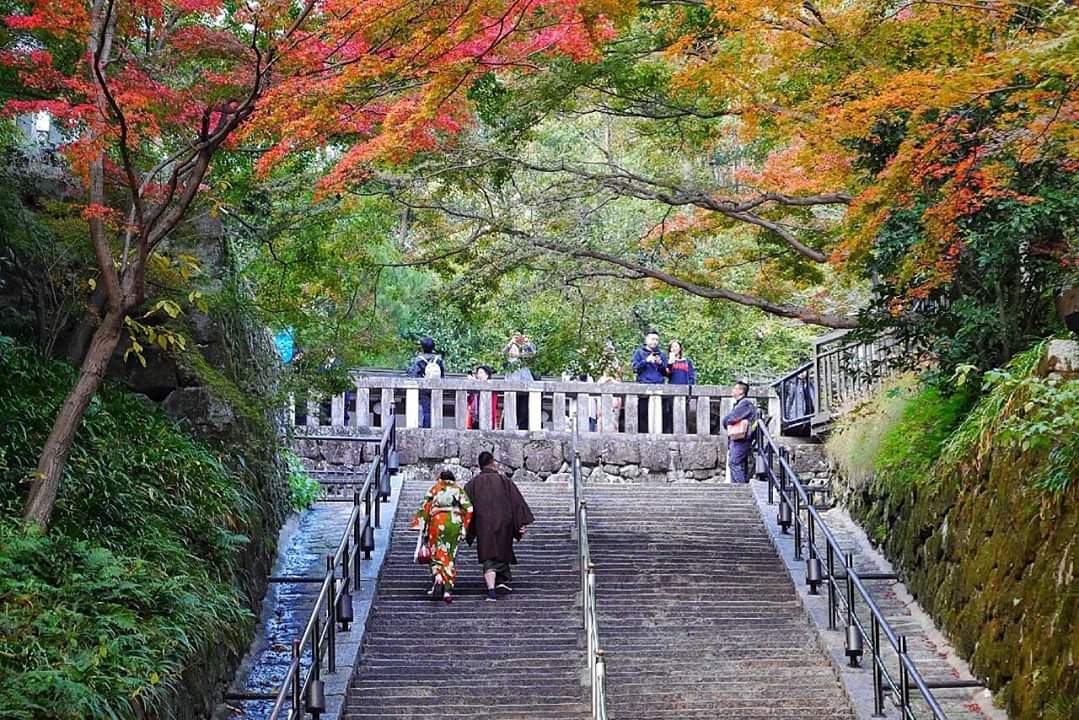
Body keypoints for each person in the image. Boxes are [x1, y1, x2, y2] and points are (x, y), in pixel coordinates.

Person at [465, 451, 534, 602]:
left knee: (488, 555)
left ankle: (492, 590)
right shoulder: (504, 481)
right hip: (504, 522)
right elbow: (516, 503)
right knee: (503, 549)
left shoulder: (473, 484)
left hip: (483, 525)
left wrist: (464, 528)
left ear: (480, 465)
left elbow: (465, 506)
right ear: (493, 463)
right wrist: (521, 523)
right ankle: (501, 581)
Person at [411, 469, 473, 603]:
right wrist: (464, 527)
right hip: (454, 523)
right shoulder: (458, 490)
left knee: (437, 553)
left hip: (437, 523)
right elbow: (469, 509)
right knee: (450, 556)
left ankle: (438, 576)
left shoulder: (435, 489)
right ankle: (447, 590)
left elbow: (425, 508)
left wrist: (421, 525)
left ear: (440, 478)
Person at [722, 381, 759, 484]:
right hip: (739, 437)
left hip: (741, 438)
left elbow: (731, 418)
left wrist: (726, 421)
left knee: (734, 462)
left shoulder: (745, 404)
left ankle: (741, 487)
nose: (733, 390)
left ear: (741, 391)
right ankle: (739, 485)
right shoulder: (741, 404)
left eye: (735, 388)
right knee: (739, 463)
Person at [631, 330, 667, 431]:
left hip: (659, 387)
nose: (655, 342)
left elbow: (666, 373)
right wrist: (646, 361)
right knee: (643, 415)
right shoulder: (639, 352)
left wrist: (660, 363)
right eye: (652, 339)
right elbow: (635, 369)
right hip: (644, 387)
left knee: (661, 415)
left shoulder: (661, 354)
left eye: (657, 340)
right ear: (646, 340)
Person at [406, 336, 444, 428]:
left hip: (424, 387)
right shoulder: (438, 359)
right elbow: (442, 374)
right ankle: (435, 426)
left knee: (426, 409)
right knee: (435, 408)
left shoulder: (418, 359)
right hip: (436, 386)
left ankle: (426, 427)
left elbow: (413, 374)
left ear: (422, 347)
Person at [502, 334, 537, 430]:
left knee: (524, 412)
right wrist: (511, 343)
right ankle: (506, 430)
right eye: (512, 349)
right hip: (511, 390)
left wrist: (526, 342)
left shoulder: (524, 361)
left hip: (526, 390)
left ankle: (523, 430)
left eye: (515, 348)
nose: (513, 350)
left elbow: (533, 353)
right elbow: (503, 353)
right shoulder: (508, 363)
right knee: (510, 411)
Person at [466, 365, 499, 429]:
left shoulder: (492, 386)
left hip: (487, 415)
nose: (479, 375)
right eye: (478, 373)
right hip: (475, 416)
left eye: (481, 373)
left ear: (487, 375)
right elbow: (470, 399)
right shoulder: (474, 386)